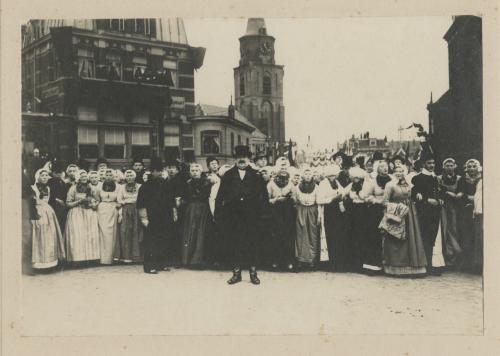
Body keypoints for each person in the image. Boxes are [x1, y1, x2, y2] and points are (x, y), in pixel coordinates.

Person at [215, 145, 268, 285]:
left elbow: (264, 196)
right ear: (235, 159)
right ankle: (236, 273)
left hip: (252, 216)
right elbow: (220, 196)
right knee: (234, 244)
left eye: (244, 157)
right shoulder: (228, 175)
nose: (241, 160)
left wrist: (264, 214)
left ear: (249, 158)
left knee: (252, 244)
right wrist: (218, 214)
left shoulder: (256, 175)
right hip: (233, 216)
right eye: (239, 158)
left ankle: (253, 273)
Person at [381, 165, 427, 276]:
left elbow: (412, 196)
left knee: (411, 237)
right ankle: (395, 267)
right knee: (396, 238)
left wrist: (417, 195)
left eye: (401, 171)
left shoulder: (409, 184)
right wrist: (398, 208)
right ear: (393, 173)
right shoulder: (390, 185)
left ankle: (413, 266)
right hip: (396, 214)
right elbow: (384, 202)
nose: (399, 173)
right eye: (396, 171)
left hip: (410, 214)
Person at [137, 157, 177, 274]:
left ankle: (161, 264)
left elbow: (171, 200)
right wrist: (144, 218)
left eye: (161, 170)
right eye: (156, 171)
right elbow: (141, 203)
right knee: (151, 242)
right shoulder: (145, 186)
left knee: (164, 240)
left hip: (165, 217)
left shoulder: (166, 184)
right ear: (152, 172)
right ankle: (149, 266)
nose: (159, 173)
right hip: (152, 218)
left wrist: (174, 212)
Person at [411, 152, 443, 276]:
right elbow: (415, 194)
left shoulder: (435, 177)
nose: (432, 165)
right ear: (424, 164)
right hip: (424, 211)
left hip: (435, 211)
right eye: (429, 163)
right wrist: (426, 200)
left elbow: (439, 191)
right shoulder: (418, 178)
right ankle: (425, 265)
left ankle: (432, 265)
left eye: (433, 163)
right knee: (425, 237)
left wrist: (440, 199)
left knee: (433, 238)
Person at [359, 161, 391, 275]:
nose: (385, 168)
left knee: (391, 237)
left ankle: (390, 265)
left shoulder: (392, 180)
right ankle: (375, 266)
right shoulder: (372, 182)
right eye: (382, 167)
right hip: (376, 212)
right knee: (375, 237)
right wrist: (375, 200)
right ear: (377, 169)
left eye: (386, 166)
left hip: (391, 211)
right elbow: (364, 195)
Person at [30, 169, 66, 271]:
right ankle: (39, 264)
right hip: (38, 212)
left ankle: (50, 264)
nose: (45, 177)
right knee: (39, 237)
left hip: (49, 213)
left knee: (50, 237)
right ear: (38, 177)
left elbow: (51, 200)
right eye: (42, 176)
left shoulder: (48, 188)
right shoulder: (33, 188)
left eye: (46, 175)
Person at [316, 164, 350, 271]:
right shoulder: (323, 184)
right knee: (330, 235)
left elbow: (343, 192)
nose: (332, 177)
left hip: (337, 212)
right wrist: (332, 198)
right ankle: (330, 263)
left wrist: (341, 195)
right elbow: (319, 199)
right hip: (328, 211)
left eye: (334, 175)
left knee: (338, 235)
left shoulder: (337, 183)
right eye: (330, 175)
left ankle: (338, 262)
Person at [64, 170, 100, 266]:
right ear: (78, 178)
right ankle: (77, 260)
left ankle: (90, 259)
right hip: (76, 213)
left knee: (89, 236)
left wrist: (93, 205)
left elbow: (97, 200)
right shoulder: (73, 188)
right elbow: (68, 203)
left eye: (85, 177)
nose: (84, 178)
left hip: (89, 214)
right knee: (78, 236)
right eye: (81, 177)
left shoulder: (91, 188)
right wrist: (79, 201)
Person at [181, 163, 212, 267]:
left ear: (200, 171)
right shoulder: (188, 183)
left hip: (203, 208)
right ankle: (188, 259)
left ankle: (199, 260)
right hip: (191, 209)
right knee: (190, 232)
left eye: (196, 170)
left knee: (201, 232)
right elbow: (185, 195)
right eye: (192, 170)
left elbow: (206, 195)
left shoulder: (207, 182)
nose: (194, 172)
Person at [437, 158, 465, 267]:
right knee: (445, 230)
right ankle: (448, 257)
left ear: (455, 166)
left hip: (456, 209)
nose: (449, 167)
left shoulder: (459, 179)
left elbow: (460, 195)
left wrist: (447, 192)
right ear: (443, 167)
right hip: (443, 207)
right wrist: (450, 194)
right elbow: (439, 193)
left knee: (454, 229)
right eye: (447, 165)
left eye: (451, 165)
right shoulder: (439, 178)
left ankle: (455, 256)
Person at [267, 169, 296, 271]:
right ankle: (275, 261)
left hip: (287, 212)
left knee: (288, 236)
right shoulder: (271, 184)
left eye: (285, 178)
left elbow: (295, 198)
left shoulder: (290, 185)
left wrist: (291, 197)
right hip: (275, 212)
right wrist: (276, 199)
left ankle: (288, 261)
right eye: (280, 178)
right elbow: (266, 199)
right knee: (276, 236)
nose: (282, 180)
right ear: (276, 177)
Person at [292, 167, 320, 269]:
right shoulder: (297, 187)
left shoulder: (316, 187)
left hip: (312, 211)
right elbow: (295, 200)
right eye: (306, 174)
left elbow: (318, 201)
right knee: (301, 233)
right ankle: (300, 259)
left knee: (312, 234)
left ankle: (312, 259)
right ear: (303, 176)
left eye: (309, 174)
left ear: (312, 176)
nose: (307, 176)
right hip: (301, 210)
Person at [114, 169, 143, 263]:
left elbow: (141, 198)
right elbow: (119, 199)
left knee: (137, 231)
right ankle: (127, 256)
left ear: (134, 176)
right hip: (126, 210)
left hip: (137, 210)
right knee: (126, 231)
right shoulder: (122, 187)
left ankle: (137, 256)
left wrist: (133, 201)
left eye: (131, 176)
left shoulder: (139, 186)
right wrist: (127, 201)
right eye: (128, 176)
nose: (129, 177)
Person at [461, 159, 483, 274]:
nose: (471, 168)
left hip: (479, 210)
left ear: (478, 167)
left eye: (474, 166)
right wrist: (467, 198)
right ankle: (468, 265)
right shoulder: (463, 179)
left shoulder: (482, 179)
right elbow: (461, 193)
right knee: (467, 236)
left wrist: (473, 199)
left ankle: (479, 264)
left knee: (478, 237)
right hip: (466, 210)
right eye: (469, 166)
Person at [345, 166, 367, 272]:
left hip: (362, 211)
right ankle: (353, 263)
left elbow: (365, 196)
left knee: (361, 235)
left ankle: (361, 263)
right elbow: (343, 193)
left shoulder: (364, 185)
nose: (356, 179)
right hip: (353, 211)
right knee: (352, 235)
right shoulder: (351, 185)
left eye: (357, 178)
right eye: (354, 178)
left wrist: (358, 194)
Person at [22, 168, 37, 275]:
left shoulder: (22, 175)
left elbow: (30, 191)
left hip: (23, 204)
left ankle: (26, 266)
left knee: (26, 236)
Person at [48, 160, 68, 232]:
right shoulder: (49, 182)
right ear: (53, 173)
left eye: (60, 173)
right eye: (56, 173)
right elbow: (49, 194)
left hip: (62, 207)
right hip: (53, 205)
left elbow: (65, 194)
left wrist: (64, 202)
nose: (58, 175)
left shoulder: (62, 182)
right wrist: (56, 200)